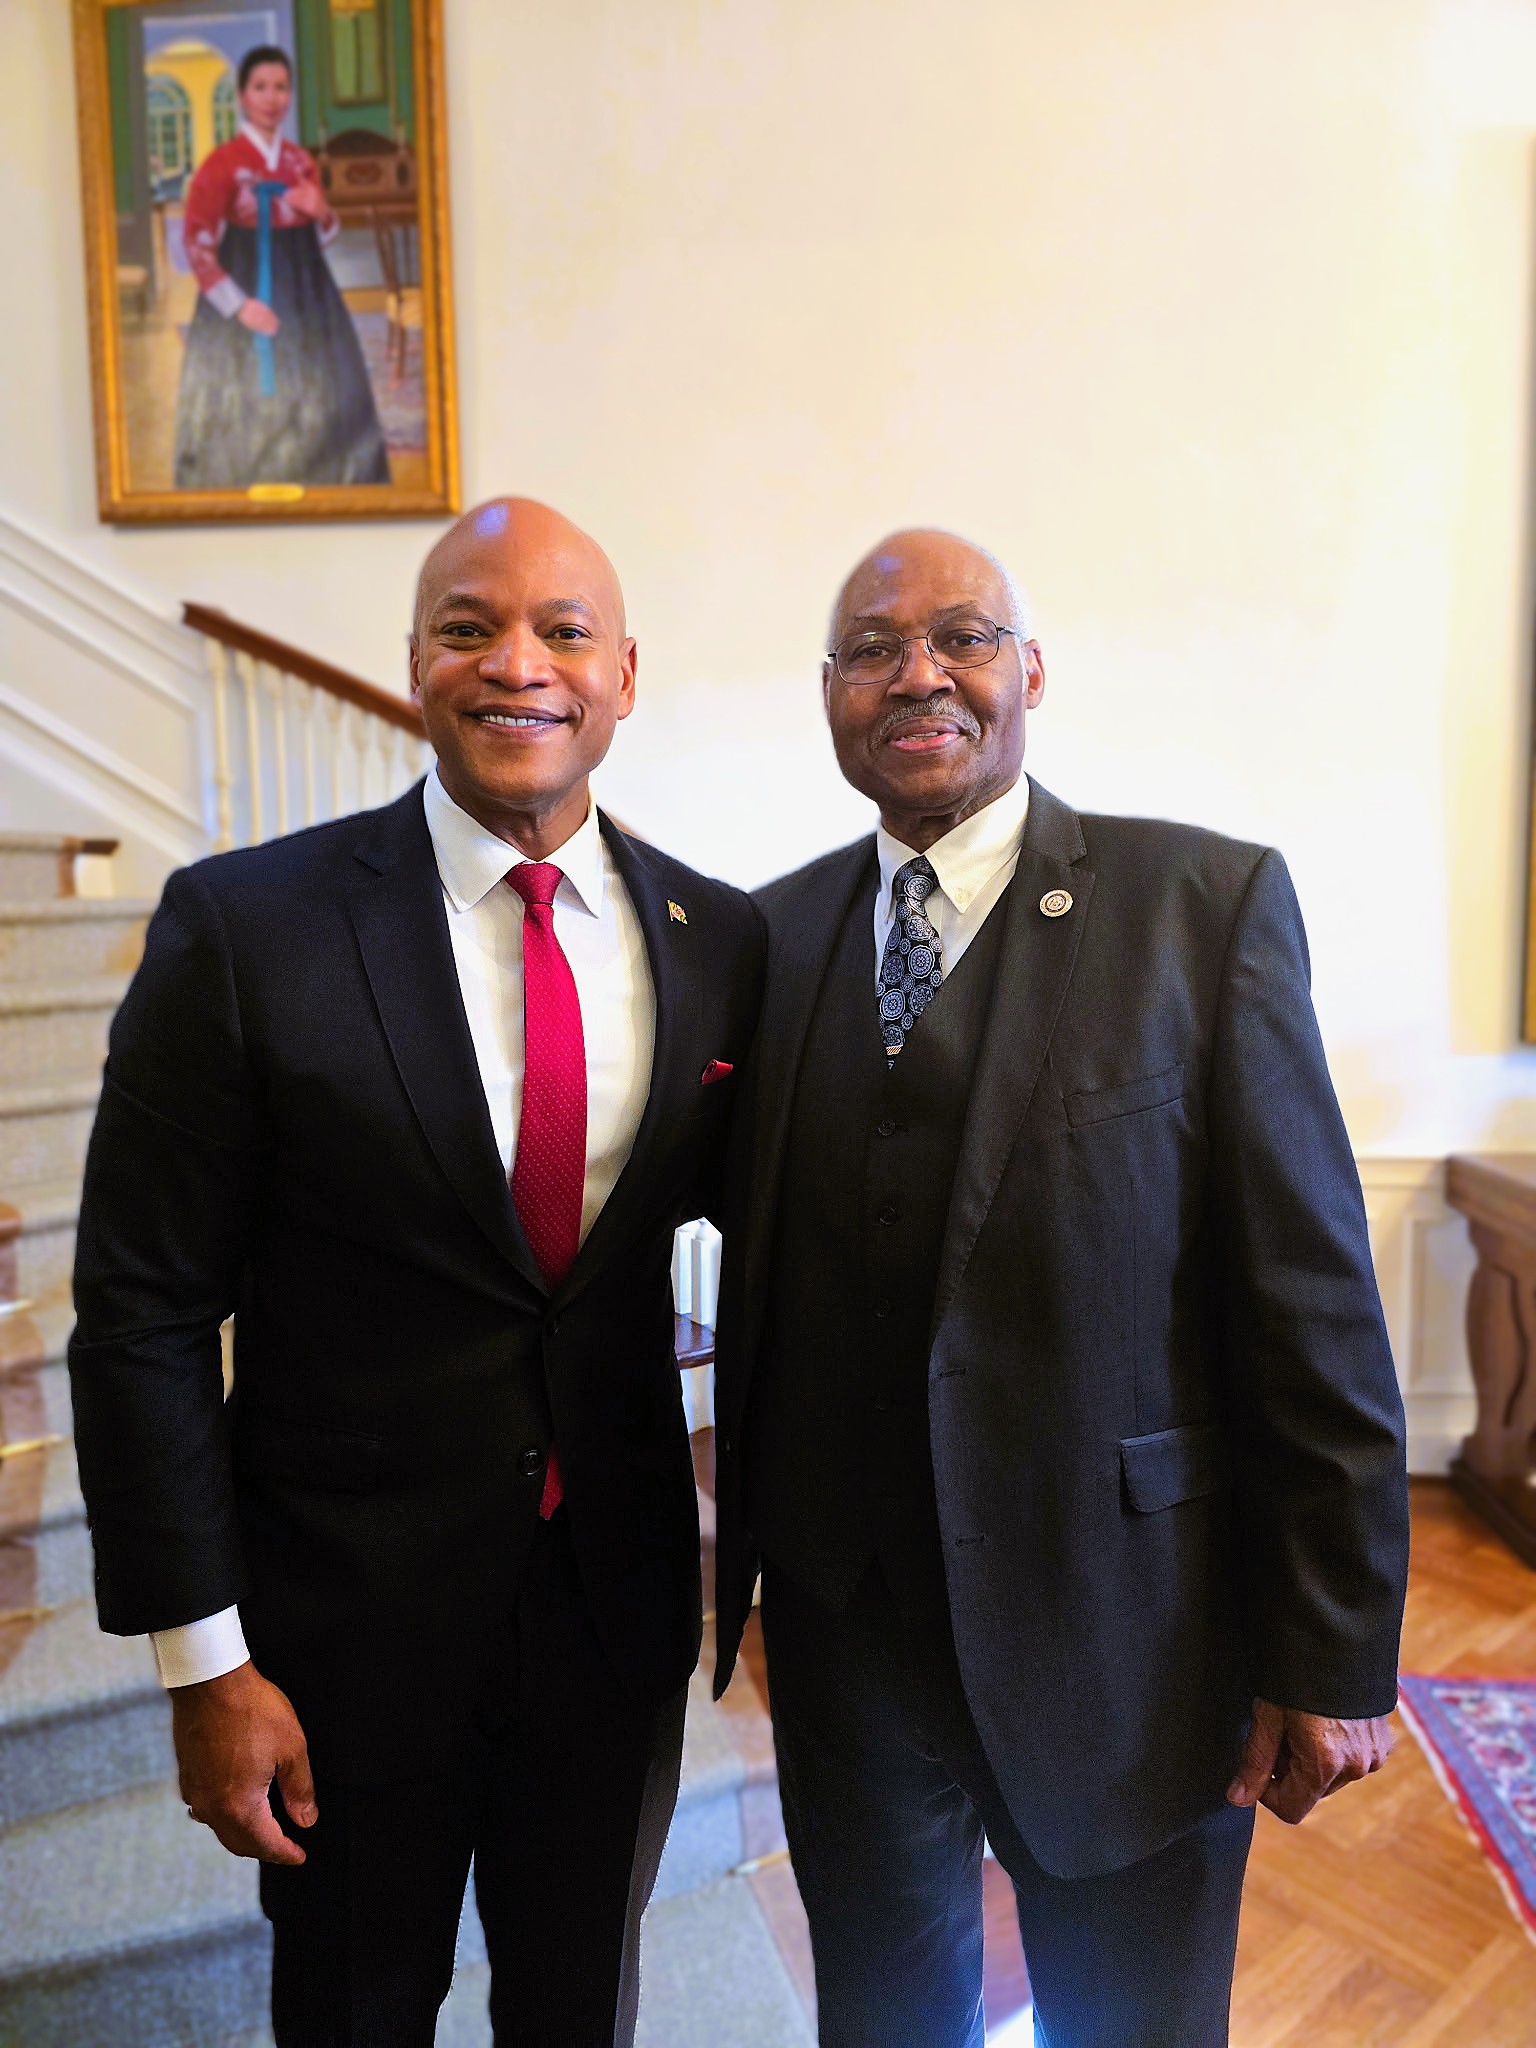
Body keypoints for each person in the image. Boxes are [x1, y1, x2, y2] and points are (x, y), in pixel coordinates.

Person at [69, 498, 762, 2045]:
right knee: (353, 2013)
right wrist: (205, 1660)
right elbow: (143, 1315)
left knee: (579, 2008)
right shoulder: (246, 931)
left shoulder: (721, 941)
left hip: (614, 1614)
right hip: (342, 1632)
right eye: (470, 626)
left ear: (626, 675)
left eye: (563, 630)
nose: (518, 662)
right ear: (412, 667)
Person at [710, 528, 1410, 2047]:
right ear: (830, 696)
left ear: (1029, 670)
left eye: (961, 636)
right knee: (887, 2022)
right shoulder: (769, 939)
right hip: (848, 1645)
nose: (919, 676)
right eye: (872, 650)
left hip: (1130, 1638)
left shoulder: (1201, 907)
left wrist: (1333, 1643)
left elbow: (1312, 1302)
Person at [172, 44, 390, 490]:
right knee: (240, 390)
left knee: (323, 380)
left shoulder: (300, 161)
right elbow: (196, 243)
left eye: (281, 87)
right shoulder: (222, 164)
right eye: (260, 87)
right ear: (242, 96)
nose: (272, 97)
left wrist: (321, 209)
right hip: (246, 278)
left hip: (307, 290)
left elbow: (323, 235)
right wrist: (239, 307)